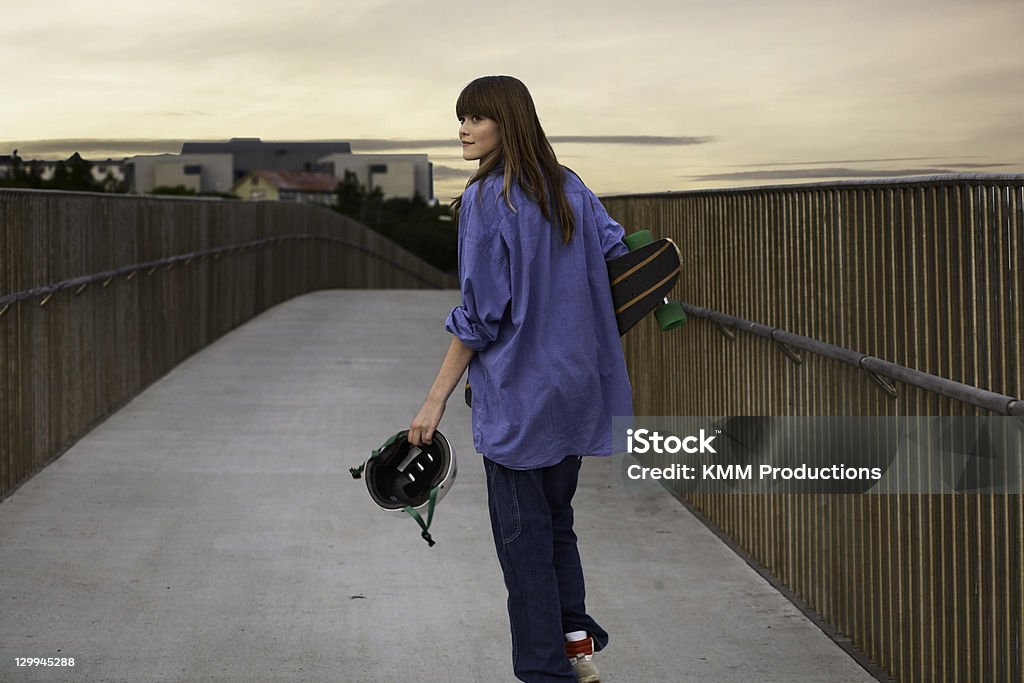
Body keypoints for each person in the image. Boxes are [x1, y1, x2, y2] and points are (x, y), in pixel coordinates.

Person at [408, 75, 632, 683]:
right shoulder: (569, 188)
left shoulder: (487, 200)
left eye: (476, 119)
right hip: (576, 390)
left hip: (518, 400)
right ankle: (576, 650)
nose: (463, 129)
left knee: (521, 543)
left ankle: (545, 674)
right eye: (461, 119)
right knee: (556, 523)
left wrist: (433, 401)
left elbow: (481, 315)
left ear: (507, 123)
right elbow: (620, 255)